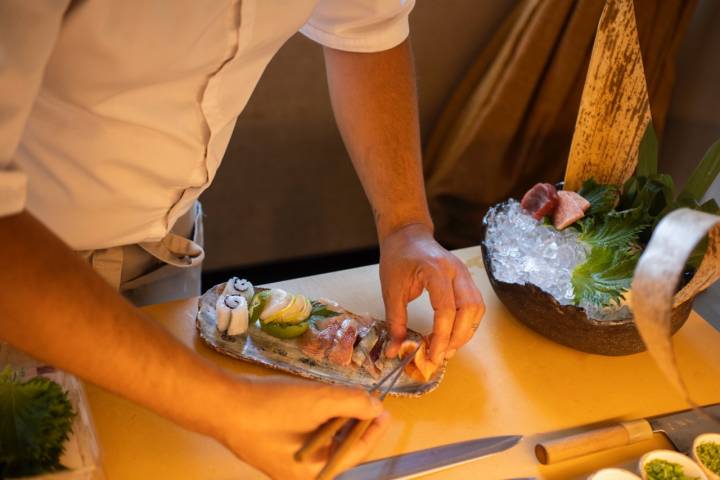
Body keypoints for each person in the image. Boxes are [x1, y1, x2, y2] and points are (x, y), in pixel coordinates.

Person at [0, 1, 485, 478]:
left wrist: (406, 226)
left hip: (166, 252)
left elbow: (369, 27)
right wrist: (230, 407)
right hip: (29, 280)